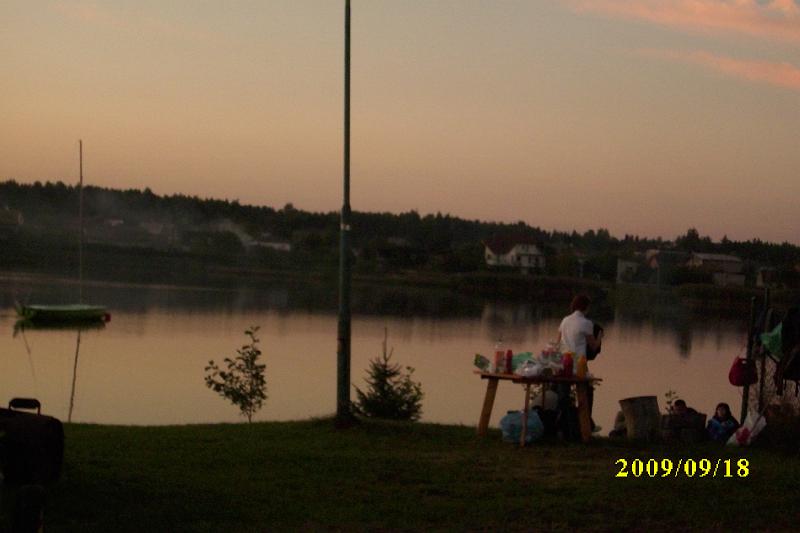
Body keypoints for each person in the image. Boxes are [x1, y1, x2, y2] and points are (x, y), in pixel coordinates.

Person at [555, 294, 603, 433]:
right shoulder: (586, 323)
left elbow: (558, 344)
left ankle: (561, 426)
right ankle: (585, 423)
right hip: (578, 365)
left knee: (563, 396)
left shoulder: (565, 320)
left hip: (563, 364)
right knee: (586, 392)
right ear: (586, 307)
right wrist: (599, 336)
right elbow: (593, 346)